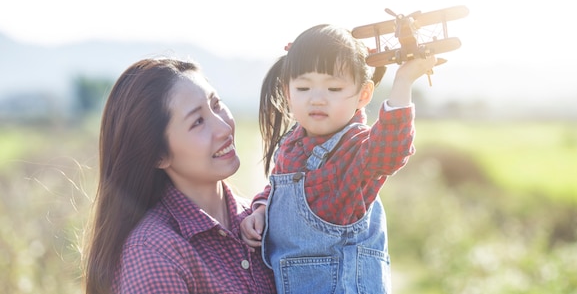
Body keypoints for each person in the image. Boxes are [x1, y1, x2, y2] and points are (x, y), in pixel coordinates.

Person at [240, 24, 437, 294]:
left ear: (363, 95)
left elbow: (390, 150)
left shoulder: (356, 148)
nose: (317, 99)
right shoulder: (292, 144)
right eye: (304, 87)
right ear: (287, 92)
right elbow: (278, 188)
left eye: (333, 89)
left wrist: (403, 81)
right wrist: (262, 209)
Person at [83, 57, 276, 294]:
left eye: (216, 105)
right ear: (158, 155)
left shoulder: (264, 217)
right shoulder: (154, 253)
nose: (224, 128)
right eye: (198, 122)